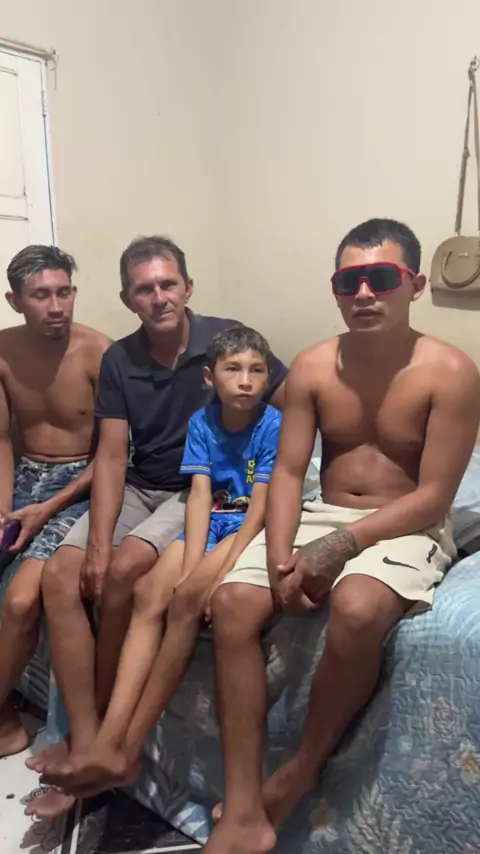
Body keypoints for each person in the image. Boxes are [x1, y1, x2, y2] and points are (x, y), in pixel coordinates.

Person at [202, 218, 480, 854]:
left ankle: (300, 770)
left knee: (356, 606)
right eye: (348, 281)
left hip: (405, 518)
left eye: (381, 278)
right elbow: (287, 471)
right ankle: (242, 804)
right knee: (233, 602)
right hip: (322, 509)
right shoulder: (312, 366)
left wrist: (340, 547)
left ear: (415, 286)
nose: (364, 294)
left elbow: (435, 497)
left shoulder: (452, 371)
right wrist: (280, 556)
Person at [27, 236, 287, 819]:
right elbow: (111, 456)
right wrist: (97, 540)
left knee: (126, 573)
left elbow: (290, 398)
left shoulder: (226, 342)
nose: (159, 297)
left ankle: (107, 738)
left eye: (169, 284)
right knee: (61, 575)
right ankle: (85, 734)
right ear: (128, 299)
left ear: (188, 287)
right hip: (140, 483)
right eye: (144, 289)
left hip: (190, 490)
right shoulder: (120, 359)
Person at [0, 244, 111, 759]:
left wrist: (46, 509)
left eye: (64, 292)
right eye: (41, 295)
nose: (56, 306)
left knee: (23, 599)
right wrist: (4, 509)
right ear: (15, 301)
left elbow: (114, 456)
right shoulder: (3, 351)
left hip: (80, 486)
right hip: (24, 477)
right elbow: (3, 439)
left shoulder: (99, 353)